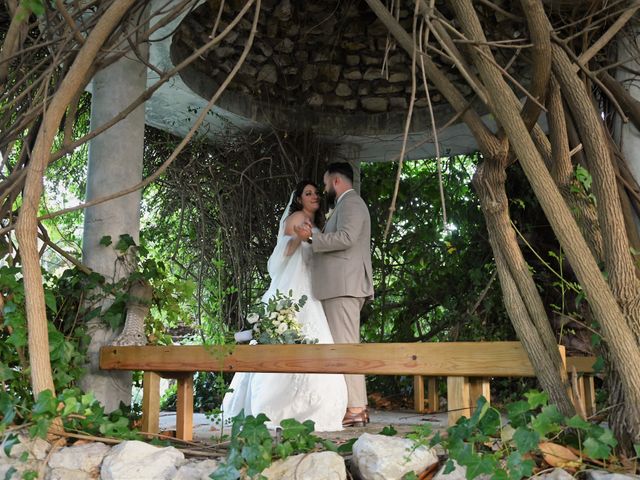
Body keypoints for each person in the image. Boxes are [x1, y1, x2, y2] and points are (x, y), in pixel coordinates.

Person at [220, 180, 348, 432]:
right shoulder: (298, 217)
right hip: (293, 289)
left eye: (315, 193)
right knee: (288, 339)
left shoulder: (318, 225)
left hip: (312, 289)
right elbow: (282, 252)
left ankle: (308, 405)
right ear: (299, 199)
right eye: (307, 193)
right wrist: (298, 240)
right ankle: (275, 405)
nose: (314, 197)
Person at [294, 162, 374, 428]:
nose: (324, 188)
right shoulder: (345, 205)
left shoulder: (351, 203)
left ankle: (356, 408)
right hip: (340, 286)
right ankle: (355, 406)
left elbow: (347, 238)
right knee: (343, 346)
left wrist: (311, 239)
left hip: (345, 287)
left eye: (326, 183)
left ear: (336, 181)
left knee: (346, 348)